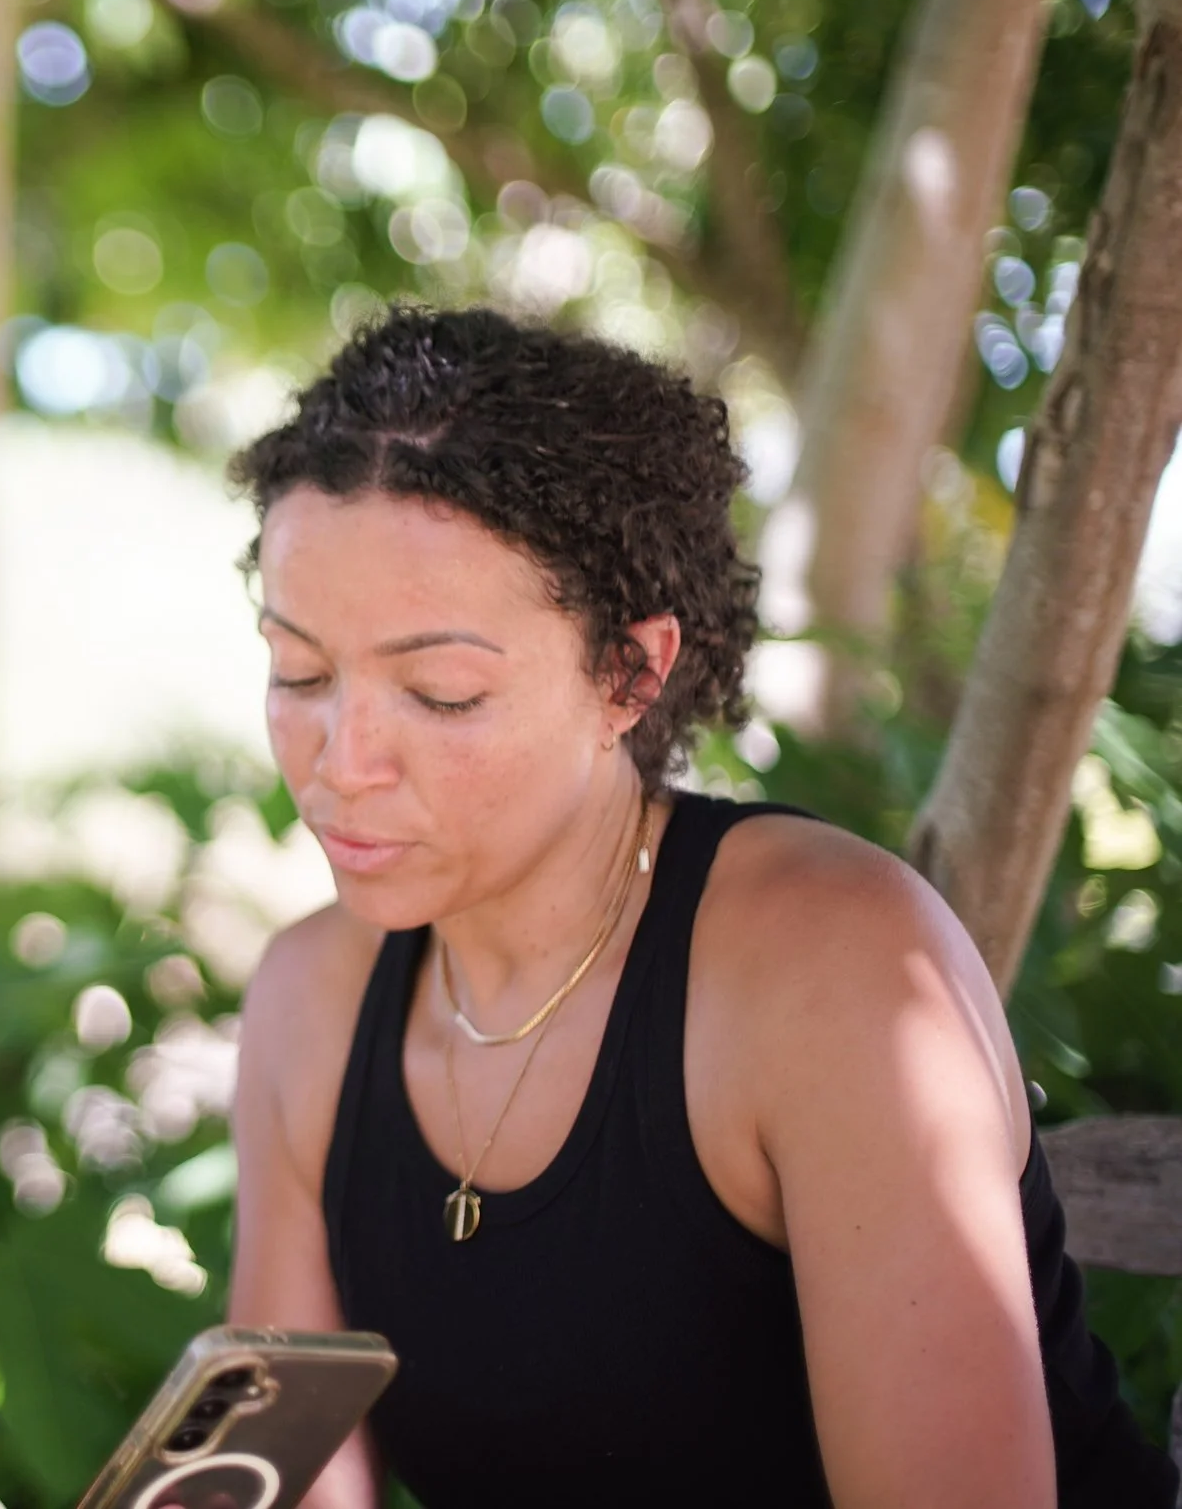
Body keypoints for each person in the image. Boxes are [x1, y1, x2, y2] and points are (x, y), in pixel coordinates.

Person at [222, 308, 1177, 1508]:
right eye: (298, 672)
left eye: (440, 693)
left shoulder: (833, 975)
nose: (340, 758)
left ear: (631, 673)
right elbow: (296, 1478)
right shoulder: (313, 1001)